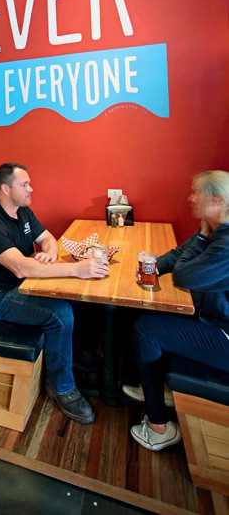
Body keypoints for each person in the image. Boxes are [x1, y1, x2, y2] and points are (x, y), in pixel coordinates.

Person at [0, 163, 109, 424]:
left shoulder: (23, 212)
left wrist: (49, 254)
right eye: (24, 185)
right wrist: (76, 269)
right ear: (5, 188)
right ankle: (62, 388)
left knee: (78, 299)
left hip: (23, 287)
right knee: (60, 314)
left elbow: (48, 238)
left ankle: (76, 356)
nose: (31, 188)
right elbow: (21, 267)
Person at [124, 170, 229, 451]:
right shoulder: (214, 228)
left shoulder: (223, 240)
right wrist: (155, 264)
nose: (190, 198)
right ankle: (150, 386)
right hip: (211, 317)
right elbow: (179, 254)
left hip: (223, 334)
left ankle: (159, 428)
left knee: (146, 329)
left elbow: (185, 275)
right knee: (138, 315)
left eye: (197, 193)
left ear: (217, 199)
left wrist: (202, 238)